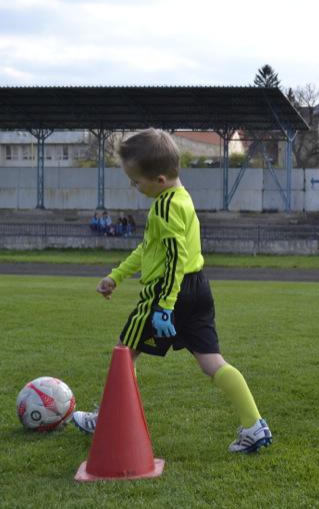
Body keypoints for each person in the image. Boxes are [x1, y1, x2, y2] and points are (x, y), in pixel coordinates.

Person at [71, 129, 272, 453]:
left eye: (136, 181)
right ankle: (253, 425)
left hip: (167, 291)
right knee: (212, 362)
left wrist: (165, 304)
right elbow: (149, 248)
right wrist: (117, 276)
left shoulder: (164, 207)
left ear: (159, 179)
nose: (135, 187)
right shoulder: (183, 197)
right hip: (198, 287)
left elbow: (175, 256)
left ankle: (106, 419)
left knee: (124, 352)